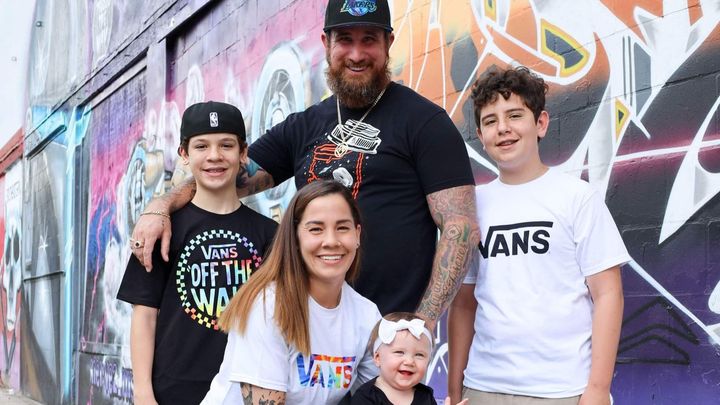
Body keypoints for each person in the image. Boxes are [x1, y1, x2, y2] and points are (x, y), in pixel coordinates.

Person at [130, 0, 480, 324]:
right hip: (312, 332)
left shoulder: (424, 123)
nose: (357, 54)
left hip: (387, 337)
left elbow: (459, 227)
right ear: (326, 43)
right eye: (345, 40)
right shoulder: (303, 126)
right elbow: (224, 176)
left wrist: (420, 324)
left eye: (369, 39)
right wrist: (160, 206)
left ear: (388, 43)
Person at [447, 66, 630, 405]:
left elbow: (608, 294)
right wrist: (455, 390)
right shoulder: (472, 208)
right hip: (483, 388)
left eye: (515, 115)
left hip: (561, 390)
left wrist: (597, 389)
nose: (503, 128)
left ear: (541, 123)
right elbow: (463, 303)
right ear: (481, 135)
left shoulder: (577, 197)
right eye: (490, 121)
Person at [116, 101, 278, 405]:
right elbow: (144, 316)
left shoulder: (270, 234)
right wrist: (143, 393)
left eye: (226, 145)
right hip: (173, 392)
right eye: (201, 146)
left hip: (244, 392)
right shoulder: (161, 230)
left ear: (243, 153)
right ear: (184, 154)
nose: (214, 155)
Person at [201, 179, 380, 404]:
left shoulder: (366, 315)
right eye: (316, 229)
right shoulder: (267, 305)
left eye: (342, 228)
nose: (331, 241)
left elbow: (383, 395)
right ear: (295, 237)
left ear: (357, 235)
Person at [352, 312, 469, 405]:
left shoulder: (425, 395)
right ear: (378, 358)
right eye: (399, 352)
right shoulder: (365, 397)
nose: (409, 362)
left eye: (419, 355)